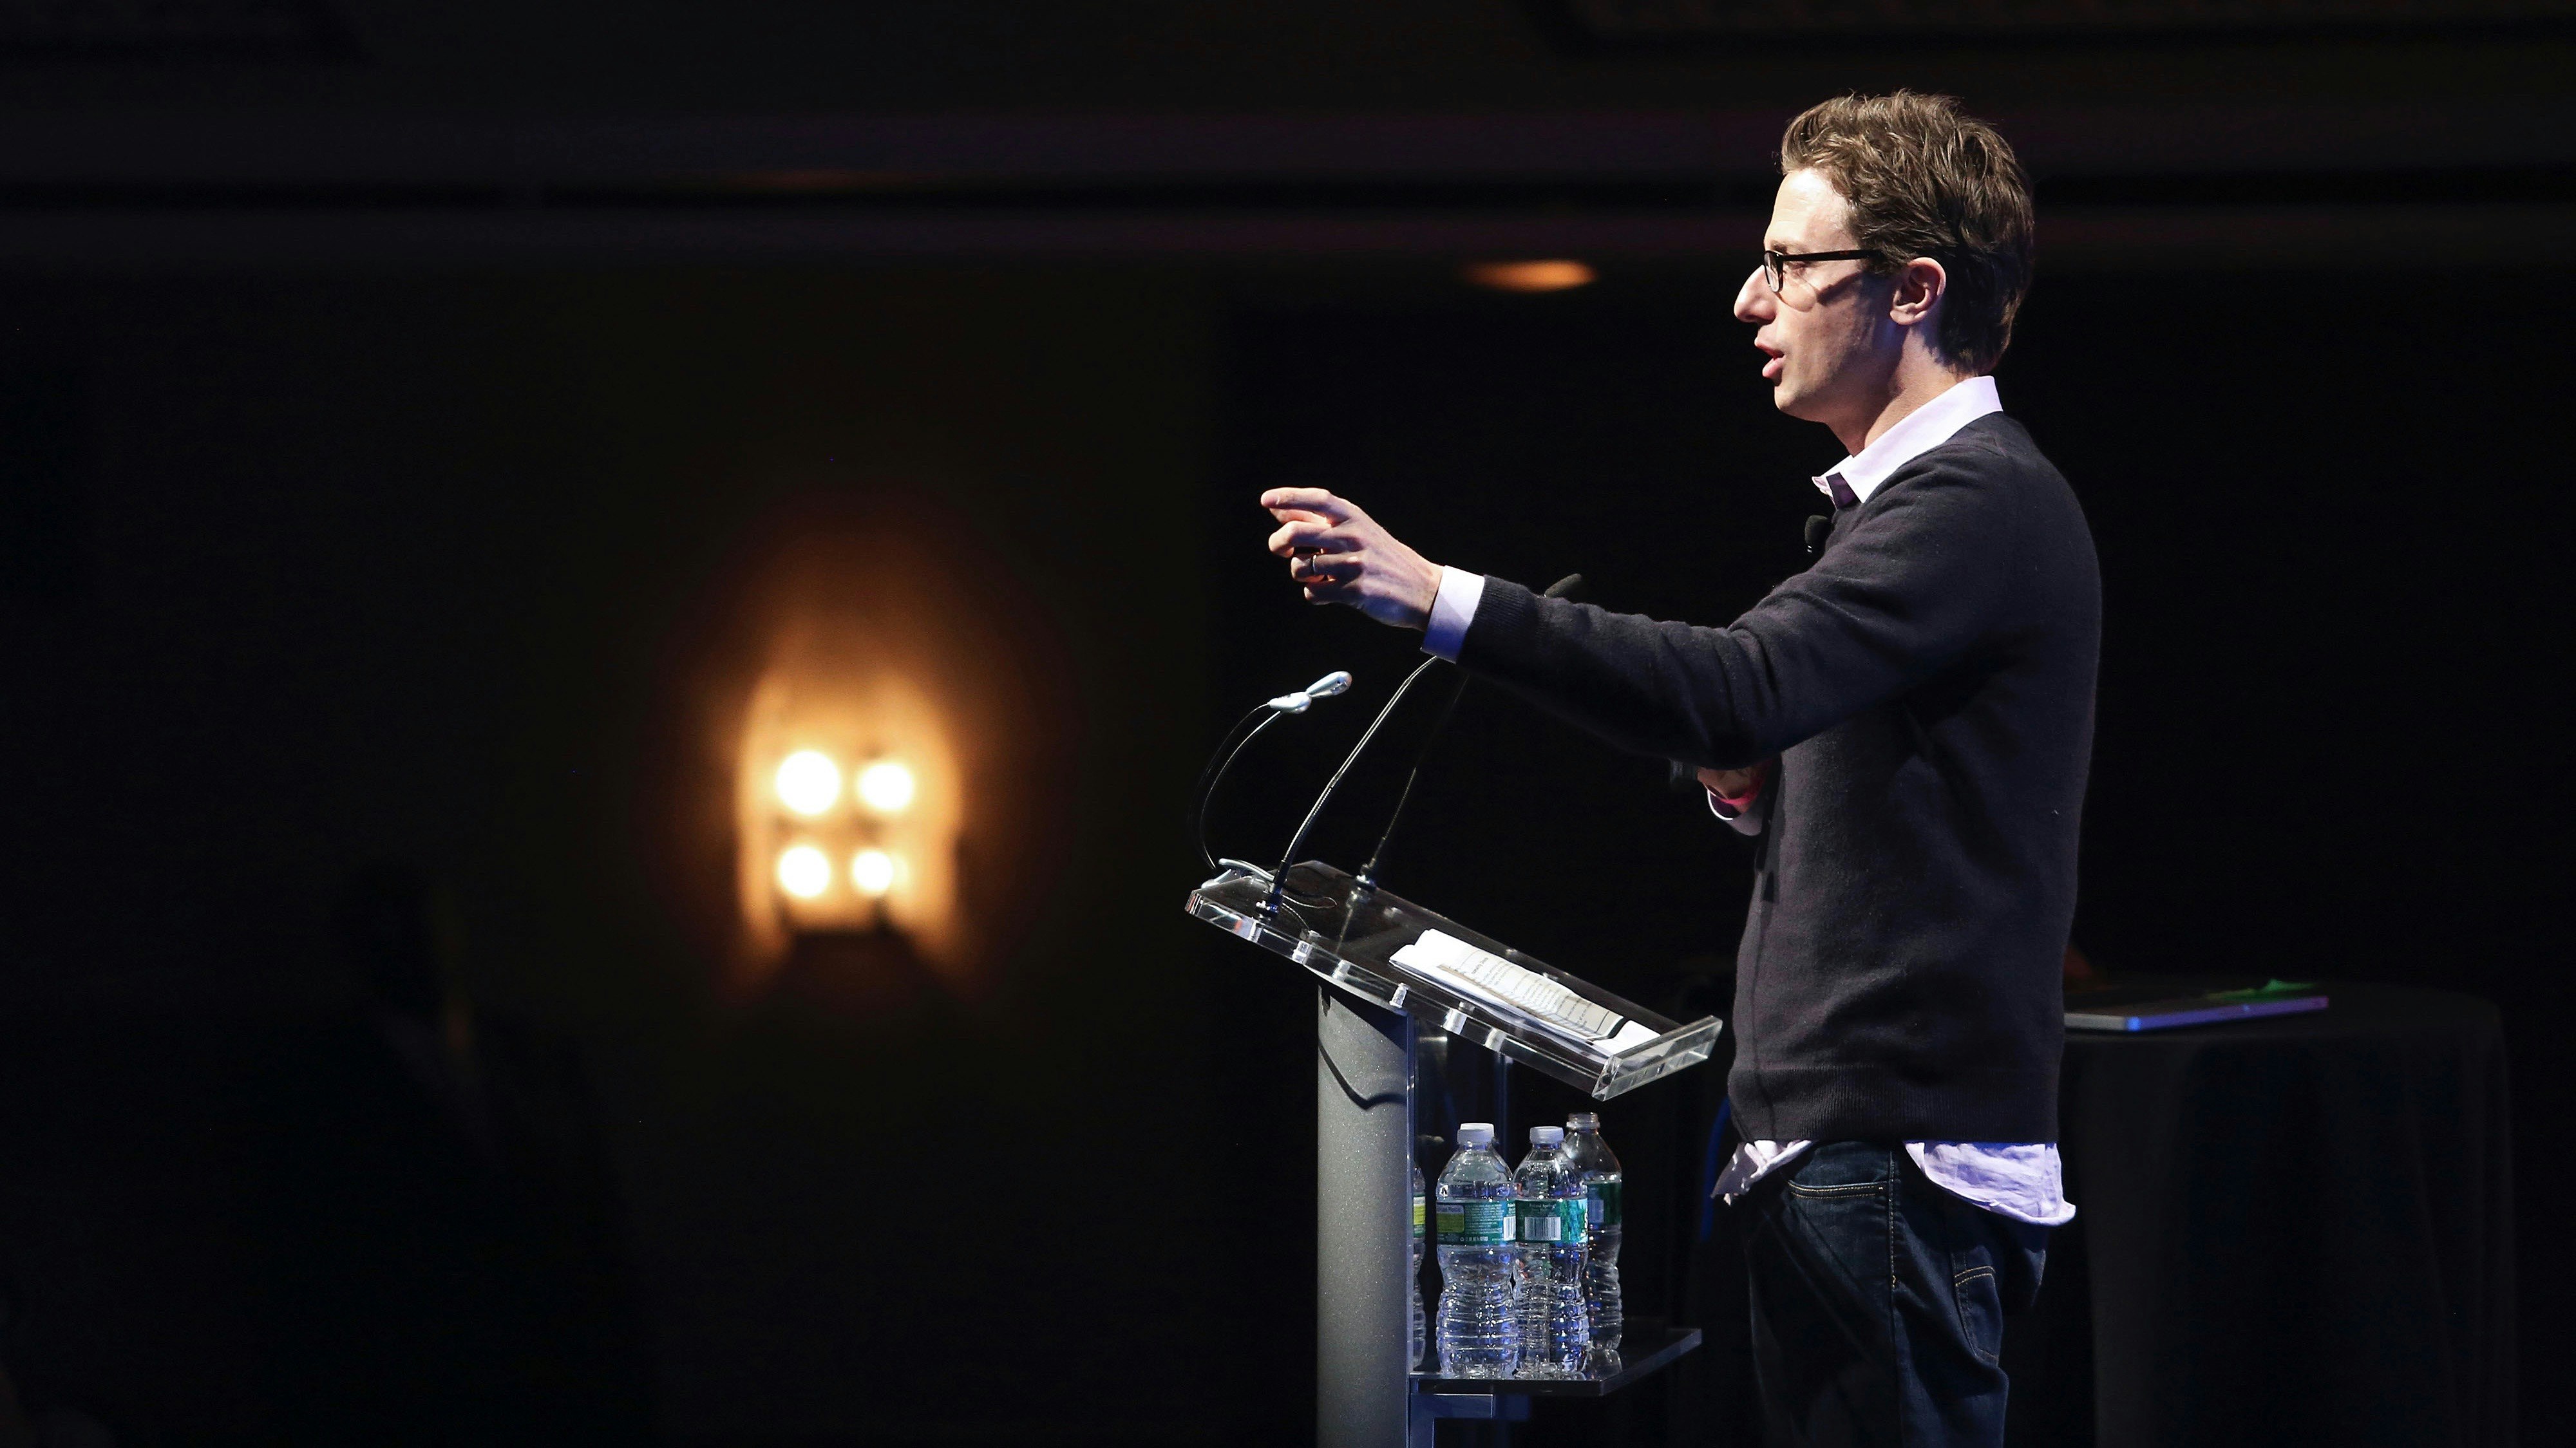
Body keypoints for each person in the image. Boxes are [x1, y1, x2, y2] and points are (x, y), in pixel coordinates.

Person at [1259, 92, 2094, 1446]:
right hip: (1849, 1156)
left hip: (1890, 1154)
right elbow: (1791, 727)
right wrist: (1760, 776)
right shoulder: (1922, 511)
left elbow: (1741, 683)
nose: (1747, 300)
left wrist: (1437, 597)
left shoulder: (1973, 500)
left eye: (1787, 264)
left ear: (1910, 290)